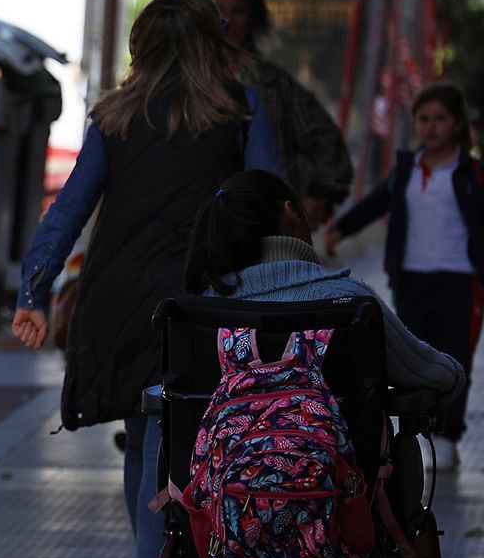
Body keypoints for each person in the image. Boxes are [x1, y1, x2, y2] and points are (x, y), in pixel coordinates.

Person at [11, 0, 280, 558]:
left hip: (120, 300)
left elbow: (68, 212)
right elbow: (270, 205)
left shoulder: (114, 119)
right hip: (210, 303)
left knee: (145, 435)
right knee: (194, 437)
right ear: (212, 45)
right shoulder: (241, 113)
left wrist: (34, 291)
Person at [185, 168, 464, 401]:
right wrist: (456, 376)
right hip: (339, 465)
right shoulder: (350, 302)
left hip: (223, 465)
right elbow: (429, 372)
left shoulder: (201, 311)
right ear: (291, 211)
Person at [325, 82, 484, 469]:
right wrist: (340, 228)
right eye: (424, 119)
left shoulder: (472, 173)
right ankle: (417, 433)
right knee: (414, 358)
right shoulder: (406, 170)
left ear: (457, 124)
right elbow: (376, 202)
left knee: (455, 357)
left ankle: (448, 435)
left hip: (461, 280)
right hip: (411, 279)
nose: (431, 127)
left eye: (441, 119)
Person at [207, 0, 353, 228]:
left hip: (258, 220)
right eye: (218, 10)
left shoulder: (272, 83)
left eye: (238, 12)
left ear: (252, 22)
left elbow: (326, 140)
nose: (227, 20)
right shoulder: (180, 79)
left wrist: (320, 197)